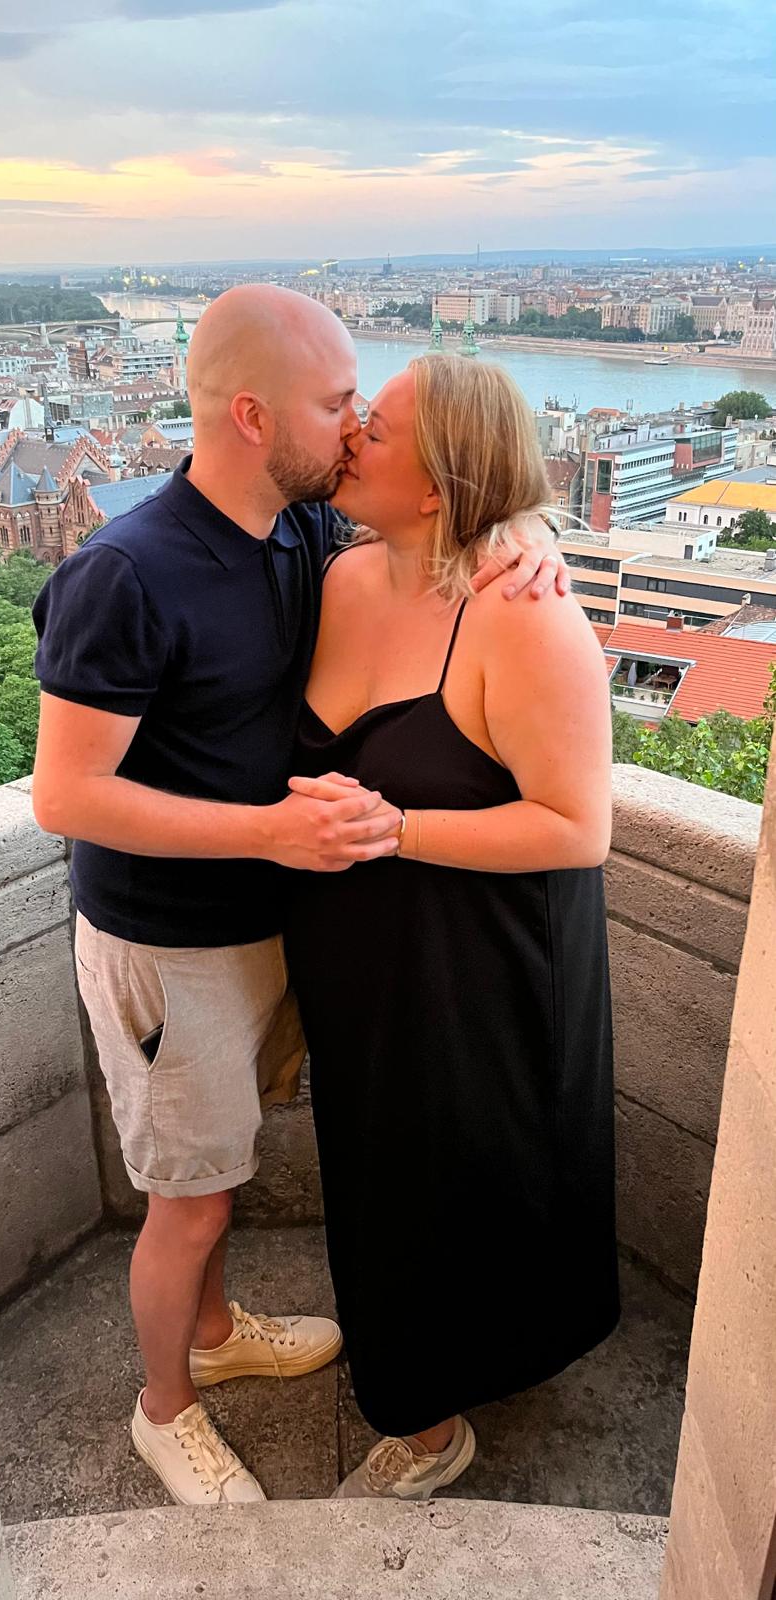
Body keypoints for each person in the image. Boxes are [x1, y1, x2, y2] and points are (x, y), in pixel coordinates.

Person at [31, 287, 569, 1506]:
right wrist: (272, 830)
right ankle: (165, 1407)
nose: (354, 429)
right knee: (192, 1197)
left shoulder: (297, 535)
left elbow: (444, 535)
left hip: (259, 929)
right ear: (256, 414)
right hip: (170, 943)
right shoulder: (127, 569)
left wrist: (527, 532)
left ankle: (215, 1334)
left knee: (216, 1176)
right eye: (339, 405)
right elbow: (65, 796)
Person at [284, 353, 620, 1501]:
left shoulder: (520, 614)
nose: (347, 439)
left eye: (372, 427)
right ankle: (438, 1363)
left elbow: (579, 827)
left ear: (436, 486)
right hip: (359, 963)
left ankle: (427, 1420)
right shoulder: (337, 572)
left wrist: (394, 829)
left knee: (458, 1170)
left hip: (471, 968)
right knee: (379, 1171)